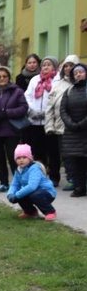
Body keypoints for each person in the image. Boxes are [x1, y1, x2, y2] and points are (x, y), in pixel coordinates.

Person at [45, 55, 79, 190]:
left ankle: (78, 179)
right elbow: (49, 107)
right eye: (66, 65)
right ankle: (68, 178)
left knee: (76, 154)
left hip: (77, 126)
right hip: (59, 126)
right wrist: (49, 125)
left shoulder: (81, 84)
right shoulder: (57, 84)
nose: (68, 68)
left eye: (71, 65)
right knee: (63, 155)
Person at [24, 56, 58, 173]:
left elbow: (57, 98)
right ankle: (39, 172)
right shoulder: (35, 80)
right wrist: (31, 110)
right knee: (37, 149)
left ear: (54, 66)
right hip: (35, 120)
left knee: (52, 150)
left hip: (50, 121)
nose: (46, 67)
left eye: (49, 64)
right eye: (44, 65)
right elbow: (27, 96)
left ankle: (54, 175)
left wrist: (48, 112)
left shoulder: (57, 80)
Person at [6, 144, 57, 221]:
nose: (21, 160)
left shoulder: (34, 168)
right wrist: (10, 194)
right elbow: (15, 184)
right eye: (18, 158)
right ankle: (30, 212)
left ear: (29, 158)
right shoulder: (18, 170)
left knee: (33, 195)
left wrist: (17, 195)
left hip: (46, 193)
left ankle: (50, 211)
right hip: (32, 193)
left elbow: (32, 186)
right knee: (20, 194)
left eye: (24, 157)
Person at [59, 63, 87, 197]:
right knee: (77, 161)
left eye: (81, 72)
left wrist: (82, 123)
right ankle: (80, 187)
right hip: (73, 132)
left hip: (84, 129)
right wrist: (70, 123)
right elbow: (63, 110)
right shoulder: (69, 91)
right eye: (76, 73)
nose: (78, 74)